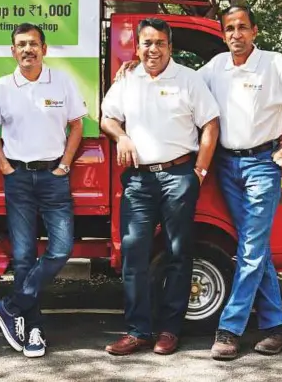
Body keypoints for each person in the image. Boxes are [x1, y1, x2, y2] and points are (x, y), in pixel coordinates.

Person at [199, 6, 282, 360]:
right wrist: (134, 71)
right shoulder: (215, 67)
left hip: (263, 166)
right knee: (251, 248)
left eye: (243, 27)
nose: (236, 34)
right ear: (223, 33)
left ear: (255, 32)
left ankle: (229, 329)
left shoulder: (274, 64)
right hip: (226, 166)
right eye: (230, 28)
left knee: (252, 248)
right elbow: (182, 87)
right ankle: (279, 325)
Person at [101, 18, 220, 356]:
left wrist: (199, 170)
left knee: (178, 255)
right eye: (146, 43)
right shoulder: (128, 80)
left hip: (178, 176)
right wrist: (121, 136)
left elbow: (210, 123)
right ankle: (138, 331)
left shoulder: (189, 79)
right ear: (137, 47)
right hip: (138, 180)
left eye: (159, 43)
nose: (152, 49)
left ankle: (170, 331)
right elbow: (107, 116)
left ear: (170, 46)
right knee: (134, 253)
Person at [0, 23, 86, 358]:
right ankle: (34, 331)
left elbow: (76, 125)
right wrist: (4, 166)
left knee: (61, 248)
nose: (27, 49)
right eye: (20, 44)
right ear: (13, 50)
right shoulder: (2, 87)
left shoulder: (62, 81)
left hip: (53, 176)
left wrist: (65, 165)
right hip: (18, 179)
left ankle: (10, 305)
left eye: (33, 44)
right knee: (24, 256)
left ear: (44, 48)